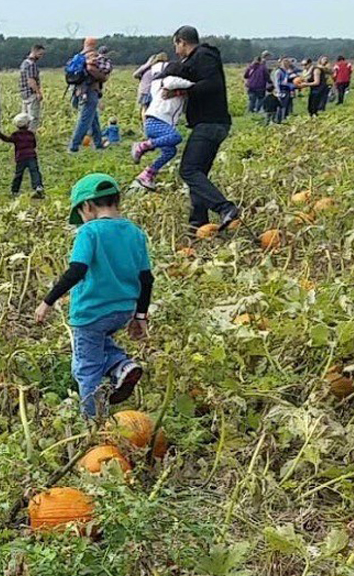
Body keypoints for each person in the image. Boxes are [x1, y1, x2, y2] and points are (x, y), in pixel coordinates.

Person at [35, 174, 153, 418]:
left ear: (87, 206)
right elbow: (146, 278)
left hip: (91, 313)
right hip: (123, 311)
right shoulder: (135, 233)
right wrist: (140, 315)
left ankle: (92, 421)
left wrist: (47, 301)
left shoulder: (89, 232)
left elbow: (77, 270)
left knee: (86, 368)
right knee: (98, 343)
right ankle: (122, 365)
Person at [168, 26, 241, 232]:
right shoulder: (196, 59)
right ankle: (198, 224)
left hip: (210, 123)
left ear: (182, 41)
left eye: (176, 45)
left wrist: (183, 90)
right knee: (198, 174)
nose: (176, 50)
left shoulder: (203, 56)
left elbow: (213, 84)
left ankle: (225, 207)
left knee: (188, 170)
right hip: (212, 123)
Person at [131, 61, 195, 190]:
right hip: (156, 120)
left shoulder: (167, 87)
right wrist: (196, 85)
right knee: (176, 137)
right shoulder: (169, 80)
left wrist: (180, 93)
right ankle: (143, 146)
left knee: (171, 151)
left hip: (158, 121)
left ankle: (147, 175)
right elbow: (173, 82)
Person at [68, 38, 112, 153]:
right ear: (94, 44)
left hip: (78, 91)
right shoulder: (92, 55)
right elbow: (91, 69)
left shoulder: (79, 55)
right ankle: (74, 146)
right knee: (85, 120)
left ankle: (98, 143)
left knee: (94, 119)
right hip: (89, 91)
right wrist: (103, 77)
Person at [0, 113, 44, 198]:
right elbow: (34, 144)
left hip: (20, 157)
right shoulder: (31, 134)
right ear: (27, 124)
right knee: (34, 171)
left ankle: (15, 190)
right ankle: (37, 186)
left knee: (18, 174)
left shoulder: (15, 135)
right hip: (31, 156)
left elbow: (7, 139)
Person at [18, 44, 45, 131]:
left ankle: (22, 138)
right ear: (34, 52)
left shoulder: (24, 63)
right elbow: (31, 80)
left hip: (24, 94)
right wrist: (38, 93)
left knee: (24, 119)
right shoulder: (31, 64)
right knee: (33, 118)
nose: (41, 57)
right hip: (31, 94)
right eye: (40, 54)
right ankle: (30, 138)